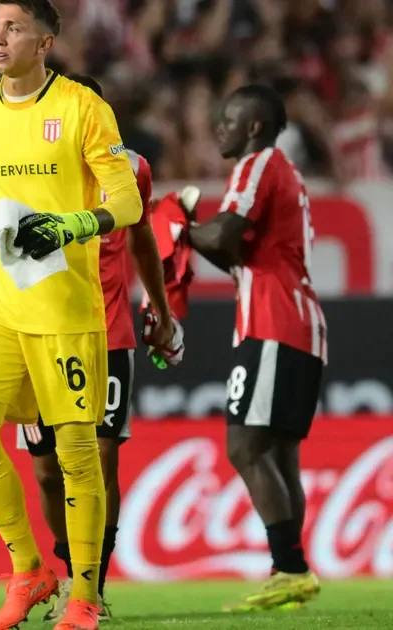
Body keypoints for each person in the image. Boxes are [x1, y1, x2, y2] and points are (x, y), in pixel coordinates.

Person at [0, 1, 143, 629]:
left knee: (77, 452)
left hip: (66, 309)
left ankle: (85, 596)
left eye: (14, 28)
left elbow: (127, 201)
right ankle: (28, 569)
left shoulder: (82, 107)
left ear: (45, 41)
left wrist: (75, 224)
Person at [14, 73, 179, 623]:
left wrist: (161, 309)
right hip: (38, 332)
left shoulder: (131, 169)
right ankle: (67, 571)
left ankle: (90, 586)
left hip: (108, 334)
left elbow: (142, 238)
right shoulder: (26, 163)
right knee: (46, 470)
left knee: (100, 457)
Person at [188, 84, 325, 612]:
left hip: (272, 320)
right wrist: (192, 233)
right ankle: (289, 574)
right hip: (300, 322)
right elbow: (237, 255)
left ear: (253, 127)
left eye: (227, 120)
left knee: (244, 446)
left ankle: (289, 568)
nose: (218, 128)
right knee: (279, 455)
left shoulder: (258, 164)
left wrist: (175, 223)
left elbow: (222, 235)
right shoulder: (285, 171)